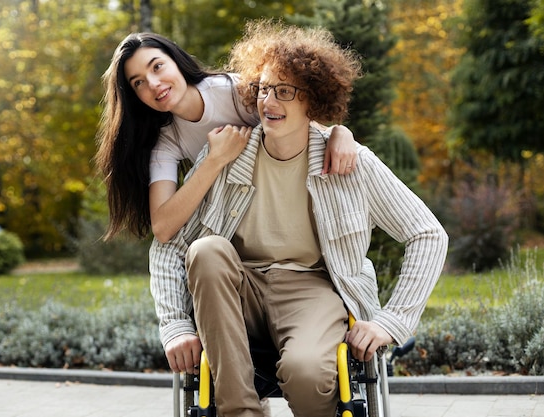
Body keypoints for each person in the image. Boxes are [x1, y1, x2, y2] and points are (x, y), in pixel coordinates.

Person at [149, 20, 449, 417]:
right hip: (240, 286)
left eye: (285, 91)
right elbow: (170, 244)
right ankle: (241, 412)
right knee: (206, 251)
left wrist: (392, 321)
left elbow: (427, 233)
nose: (269, 102)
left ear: (314, 101)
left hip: (312, 287)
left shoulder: (350, 162)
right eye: (264, 89)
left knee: (307, 373)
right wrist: (176, 326)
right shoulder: (226, 154)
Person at [95, 32, 359, 245]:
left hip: (292, 206)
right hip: (240, 227)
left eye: (157, 66)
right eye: (138, 82)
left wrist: (340, 132)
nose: (153, 83)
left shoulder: (233, 92)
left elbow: (298, 119)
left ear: (176, 60)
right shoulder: (166, 141)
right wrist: (215, 159)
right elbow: (163, 228)